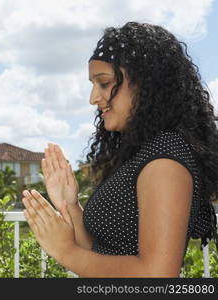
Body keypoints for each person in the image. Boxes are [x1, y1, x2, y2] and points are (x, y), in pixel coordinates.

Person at [22, 22, 218, 277]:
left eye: (104, 83)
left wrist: (66, 252)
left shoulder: (166, 159)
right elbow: (104, 252)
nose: (93, 97)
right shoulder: (143, 153)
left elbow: (156, 275)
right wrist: (70, 205)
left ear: (146, 84)